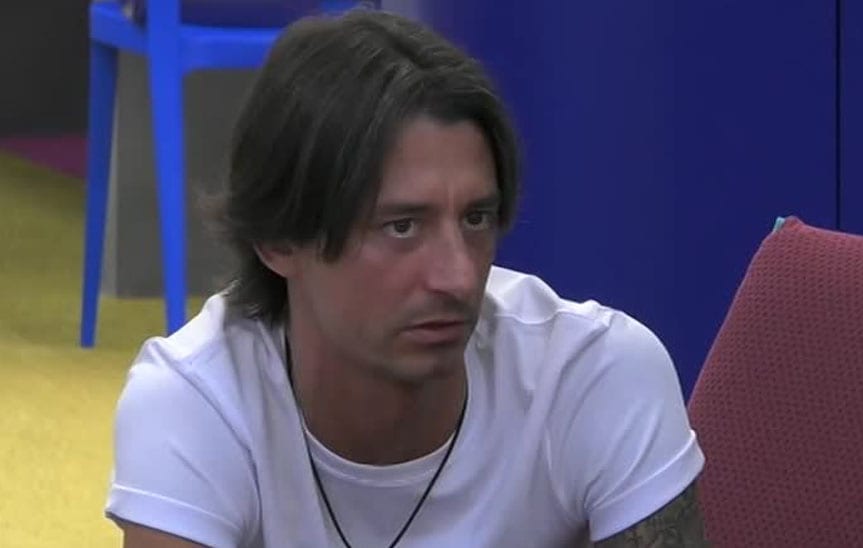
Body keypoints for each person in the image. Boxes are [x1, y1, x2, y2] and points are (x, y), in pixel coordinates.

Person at [105, 8, 707, 548]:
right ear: (280, 240)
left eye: (476, 218)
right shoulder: (198, 402)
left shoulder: (593, 374)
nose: (459, 276)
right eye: (401, 226)